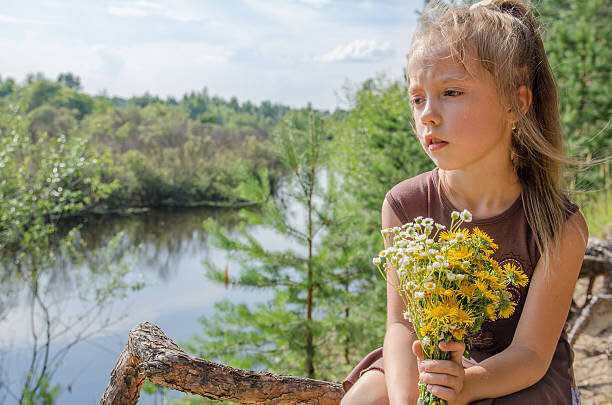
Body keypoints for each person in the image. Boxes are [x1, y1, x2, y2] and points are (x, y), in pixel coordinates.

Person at [340, 1, 589, 404]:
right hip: (427, 361)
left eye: (451, 92)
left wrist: (465, 385)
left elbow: (531, 354)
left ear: (516, 103)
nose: (428, 116)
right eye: (417, 98)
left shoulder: (558, 225)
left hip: (516, 374)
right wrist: (409, 399)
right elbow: (402, 327)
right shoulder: (405, 205)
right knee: (364, 399)